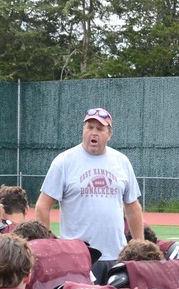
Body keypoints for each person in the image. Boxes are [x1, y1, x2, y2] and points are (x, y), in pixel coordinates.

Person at [33, 107, 145, 280]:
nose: (94, 133)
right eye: (89, 127)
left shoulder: (121, 162)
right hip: (76, 257)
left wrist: (140, 248)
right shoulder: (64, 161)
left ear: (109, 134)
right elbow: (42, 206)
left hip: (115, 255)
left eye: (100, 129)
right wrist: (46, 246)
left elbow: (132, 207)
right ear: (83, 130)